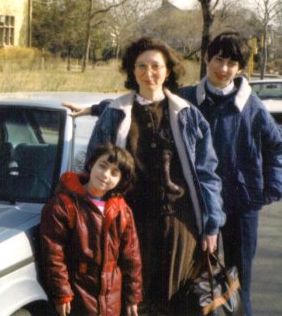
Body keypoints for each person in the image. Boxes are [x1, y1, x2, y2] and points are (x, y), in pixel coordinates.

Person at [80, 36, 225, 314]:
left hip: (179, 225)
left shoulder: (188, 115)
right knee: (135, 299)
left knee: (175, 300)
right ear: (132, 72)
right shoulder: (114, 114)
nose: (149, 74)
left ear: (167, 70)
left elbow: (207, 175)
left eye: (156, 66)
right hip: (129, 222)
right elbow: (93, 168)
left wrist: (211, 225)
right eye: (141, 66)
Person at [177, 31, 282, 315]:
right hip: (196, 205)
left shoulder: (252, 106)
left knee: (239, 281)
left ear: (240, 68)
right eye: (219, 59)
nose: (223, 69)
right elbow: (147, 107)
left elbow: (277, 147)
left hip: (242, 204)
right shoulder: (185, 99)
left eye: (232, 63)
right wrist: (96, 107)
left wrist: (272, 186)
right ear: (206, 58)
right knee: (195, 279)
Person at [40, 142, 142, 316]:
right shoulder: (63, 205)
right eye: (102, 166)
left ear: (121, 180)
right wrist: (62, 292)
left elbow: (132, 257)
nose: (105, 175)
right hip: (77, 292)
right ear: (91, 164)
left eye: (114, 172)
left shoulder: (122, 211)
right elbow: (53, 254)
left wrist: (133, 296)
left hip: (112, 297)